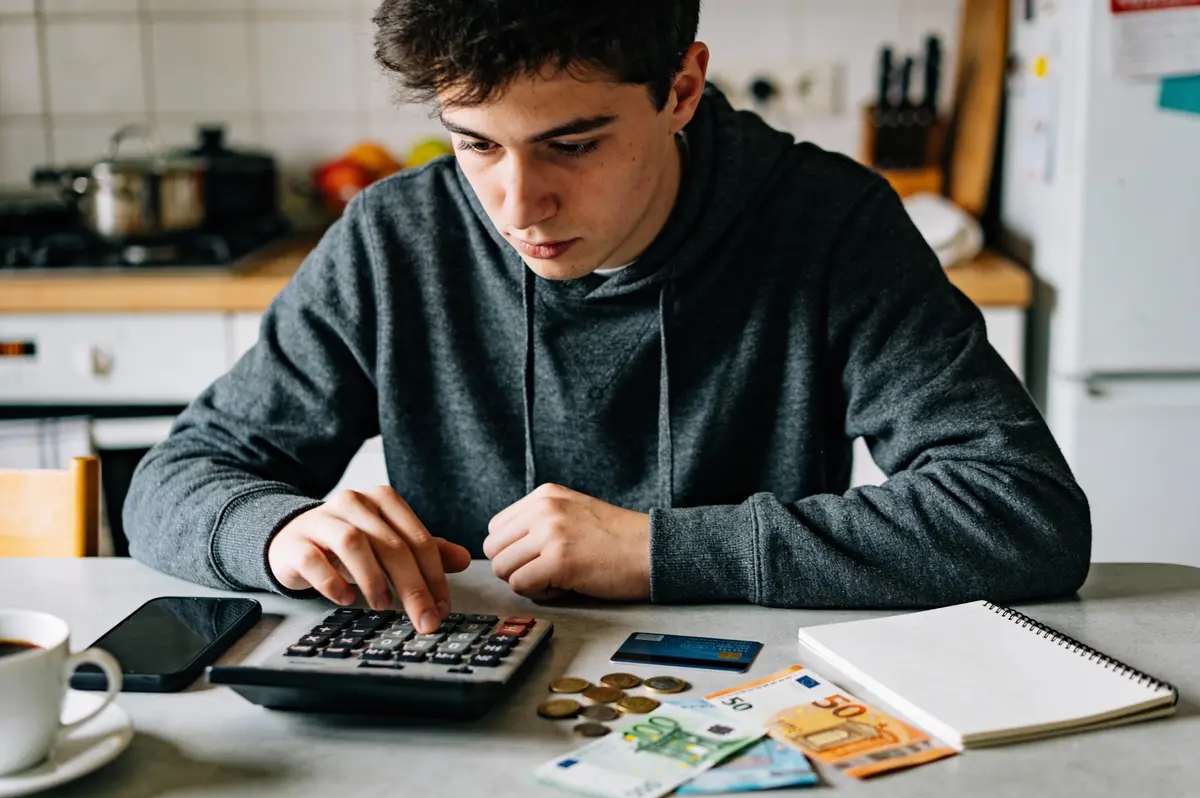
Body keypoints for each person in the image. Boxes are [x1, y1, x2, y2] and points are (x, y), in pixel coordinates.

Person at [124, 0, 1091, 636]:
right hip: (461, 718)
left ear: (681, 89)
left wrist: (658, 549)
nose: (515, 205)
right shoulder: (394, 238)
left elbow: (1022, 513)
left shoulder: (828, 224)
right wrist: (280, 531)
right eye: (475, 145)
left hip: (749, 714)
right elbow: (174, 480)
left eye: (572, 145)